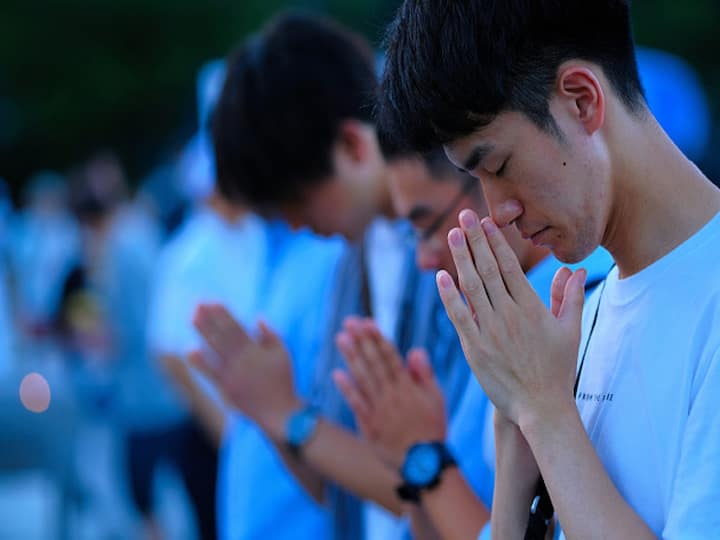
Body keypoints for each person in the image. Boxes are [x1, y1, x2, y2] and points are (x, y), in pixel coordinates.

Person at [377, 1, 720, 538]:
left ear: (582, 100)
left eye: (500, 166)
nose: (498, 211)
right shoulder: (585, 313)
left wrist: (542, 409)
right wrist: (514, 428)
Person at [194, 12, 472, 540]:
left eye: (294, 202)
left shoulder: (450, 250)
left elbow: (437, 484)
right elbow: (339, 484)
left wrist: (286, 415)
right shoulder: (352, 264)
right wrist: (275, 413)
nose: (296, 225)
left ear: (352, 145)